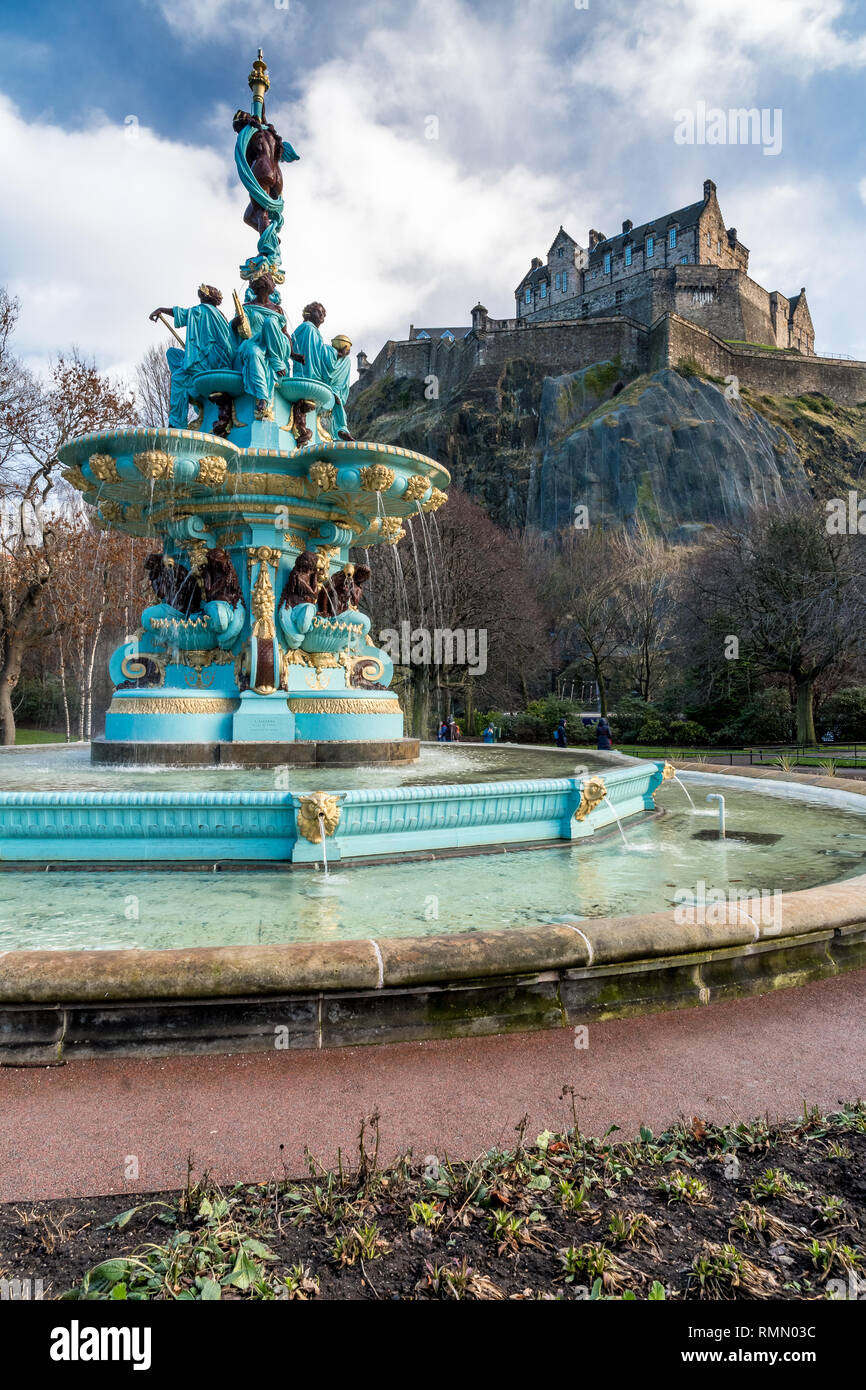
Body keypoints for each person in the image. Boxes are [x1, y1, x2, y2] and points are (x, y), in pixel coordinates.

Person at [149, 285, 235, 429]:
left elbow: (182, 314)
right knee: (172, 353)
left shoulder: (202, 310)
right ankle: (189, 384)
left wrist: (161, 310)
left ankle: (176, 423)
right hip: (213, 358)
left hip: (209, 361)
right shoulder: (219, 314)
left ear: (204, 297)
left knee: (177, 378)